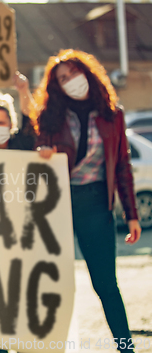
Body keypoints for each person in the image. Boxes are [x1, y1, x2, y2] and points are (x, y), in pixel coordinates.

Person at [34, 49, 141, 353]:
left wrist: (131, 214)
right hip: (57, 207)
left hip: (96, 205)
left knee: (106, 284)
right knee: (53, 283)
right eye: (62, 79)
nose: (70, 82)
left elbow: (122, 165)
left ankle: (126, 347)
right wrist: (43, 151)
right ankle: (49, 346)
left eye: (73, 74)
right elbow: (36, 154)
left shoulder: (112, 115)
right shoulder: (51, 116)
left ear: (87, 74)